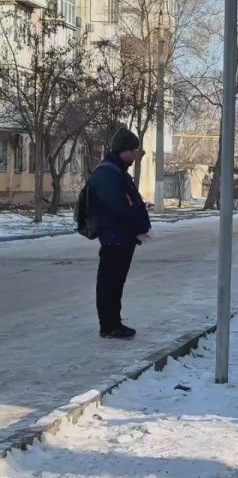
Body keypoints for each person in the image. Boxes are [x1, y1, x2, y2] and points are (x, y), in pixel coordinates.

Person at [87, 128, 151, 340]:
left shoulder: (117, 171)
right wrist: (137, 224)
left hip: (121, 237)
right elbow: (120, 206)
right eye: (133, 151)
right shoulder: (108, 173)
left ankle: (114, 322)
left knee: (116, 282)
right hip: (114, 237)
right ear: (124, 150)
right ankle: (109, 326)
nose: (135, 155)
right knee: (109, 282)